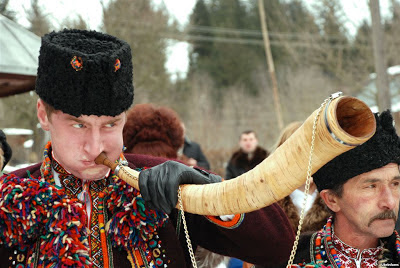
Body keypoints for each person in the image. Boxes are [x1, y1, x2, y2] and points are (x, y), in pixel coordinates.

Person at [0, 29, 294, 268]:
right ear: (43, 115)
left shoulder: (159, 183)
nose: (96, 146)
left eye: (110, 125)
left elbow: (278, 247)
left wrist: (208, 188)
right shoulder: (9, 195)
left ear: (125, 118)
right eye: (78, 125)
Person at [279, 110, 400, 267]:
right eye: (371, 186)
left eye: (395, 184)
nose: (389, 202)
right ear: (331, 199)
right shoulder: (291, 259)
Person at [274, 122, 330, 233]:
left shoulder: (337, 196)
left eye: (312, 151)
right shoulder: (271, 202)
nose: (306, 160)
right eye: (298, 152)